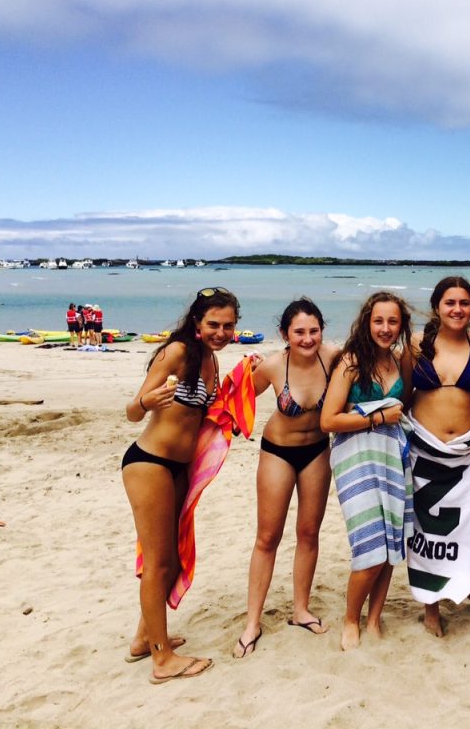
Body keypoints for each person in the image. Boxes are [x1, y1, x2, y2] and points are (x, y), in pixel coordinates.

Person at [121, 287, 241, 684]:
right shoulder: (177, 353)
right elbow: (131, 412)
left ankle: (144, 638)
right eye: (213, 324)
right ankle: (162, 659)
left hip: (178, 469)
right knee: (157, 562)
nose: (221, 332)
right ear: (197, 322)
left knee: (170, 558)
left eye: (228, 325)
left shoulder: (211, 359)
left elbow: (211, 412)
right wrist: (148, 401)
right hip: (149, 464)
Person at [233, 298, 340, 658]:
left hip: (317, 452)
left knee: (309, 532)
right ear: (285, 334)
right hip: (277, 451)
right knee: (268, 536)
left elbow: (373, 362)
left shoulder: (334, 357)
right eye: (299, 332)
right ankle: (252, 622)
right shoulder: (274, 366)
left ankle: (301, 609)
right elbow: (237, 398)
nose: (307, 338)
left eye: (313, 330)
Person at [406, 276, 470, 637]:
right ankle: (430, 606)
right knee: (425, 529)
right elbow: (400, 390)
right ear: (437, 307)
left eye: (464, 303)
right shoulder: (417, 344)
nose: (458, 309)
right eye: (450, 303)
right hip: (425, 448)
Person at [320, 291, 415, 651]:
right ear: (367, 322)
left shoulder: (400, 362)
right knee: (368, 542)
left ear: (401, 325)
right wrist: (376, 416)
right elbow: (328, 420)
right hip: (355, 458)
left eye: (393, 322)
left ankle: (374, 618)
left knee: (391, 539)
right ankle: (350, 620)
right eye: (379, 321)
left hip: (392, 456)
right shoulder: (351, 362)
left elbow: (406, 407)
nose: (386, 328)